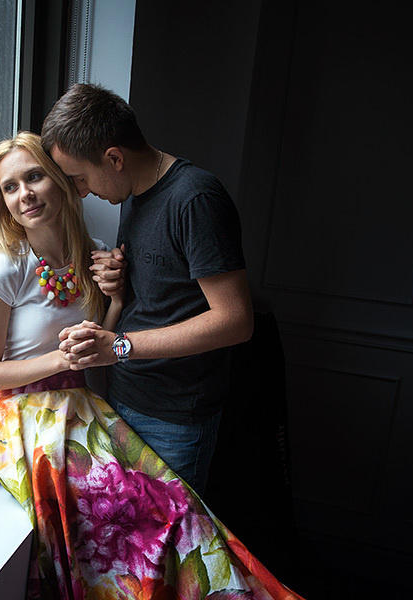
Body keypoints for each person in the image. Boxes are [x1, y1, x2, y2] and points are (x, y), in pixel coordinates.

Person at [0, 132, 302, 599]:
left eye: (34, 178)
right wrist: (58, 358)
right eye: (10, 187)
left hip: (82, 406)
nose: (24, 193)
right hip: (29, 417)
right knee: (122, 522)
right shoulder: (6, 270)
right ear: (2, 202)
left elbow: (102, 339)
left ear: (60, 182)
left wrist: (116, 298)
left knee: (177, 513)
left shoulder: (94, 251)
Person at [41, 83, 254, 497]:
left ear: (115, 158)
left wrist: (118, 346)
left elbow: (236, 321)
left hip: (175, 415)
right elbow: (166, 293)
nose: (82, 191)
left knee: (167, 553)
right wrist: (118, 280)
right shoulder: (134, 195)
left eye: (80, 178)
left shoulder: (195, 199)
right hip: (126, 398)